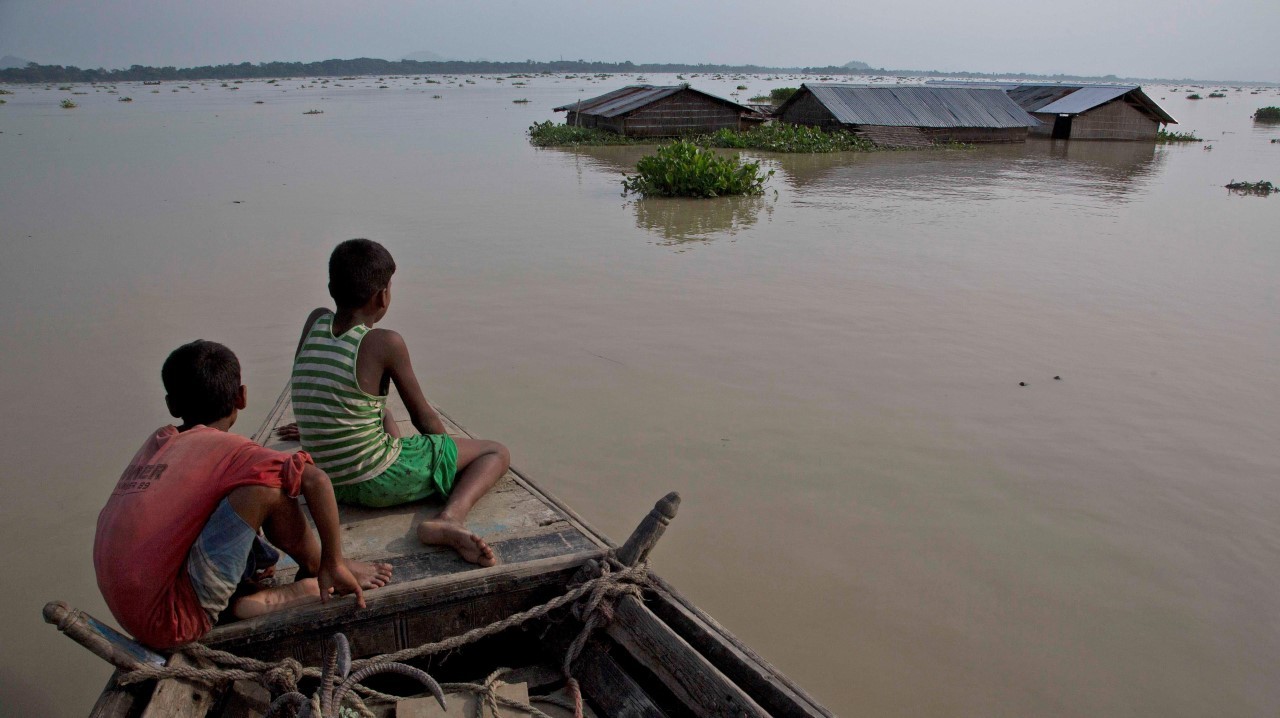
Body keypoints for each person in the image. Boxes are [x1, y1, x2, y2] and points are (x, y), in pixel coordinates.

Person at [93, 340, 393, 649]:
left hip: (128, 608)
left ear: (172, 405)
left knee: (237, 487)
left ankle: (241, 595)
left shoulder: (160, 441)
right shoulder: (232, 451)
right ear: (242, 397)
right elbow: (316, 481)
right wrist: (335, 560)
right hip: (173, 620)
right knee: (269, 485)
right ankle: (320, 568)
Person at [284, 238, 509, 567]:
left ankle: (401, 461)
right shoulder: (384, 342)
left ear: (332, 287)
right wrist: (446, 460)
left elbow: (322, 386)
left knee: (384, 412)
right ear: (382, 296)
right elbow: (423, 418)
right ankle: (449, 519)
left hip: (328, 481)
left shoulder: (315, 320)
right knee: (495, 452)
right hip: (371, 481)